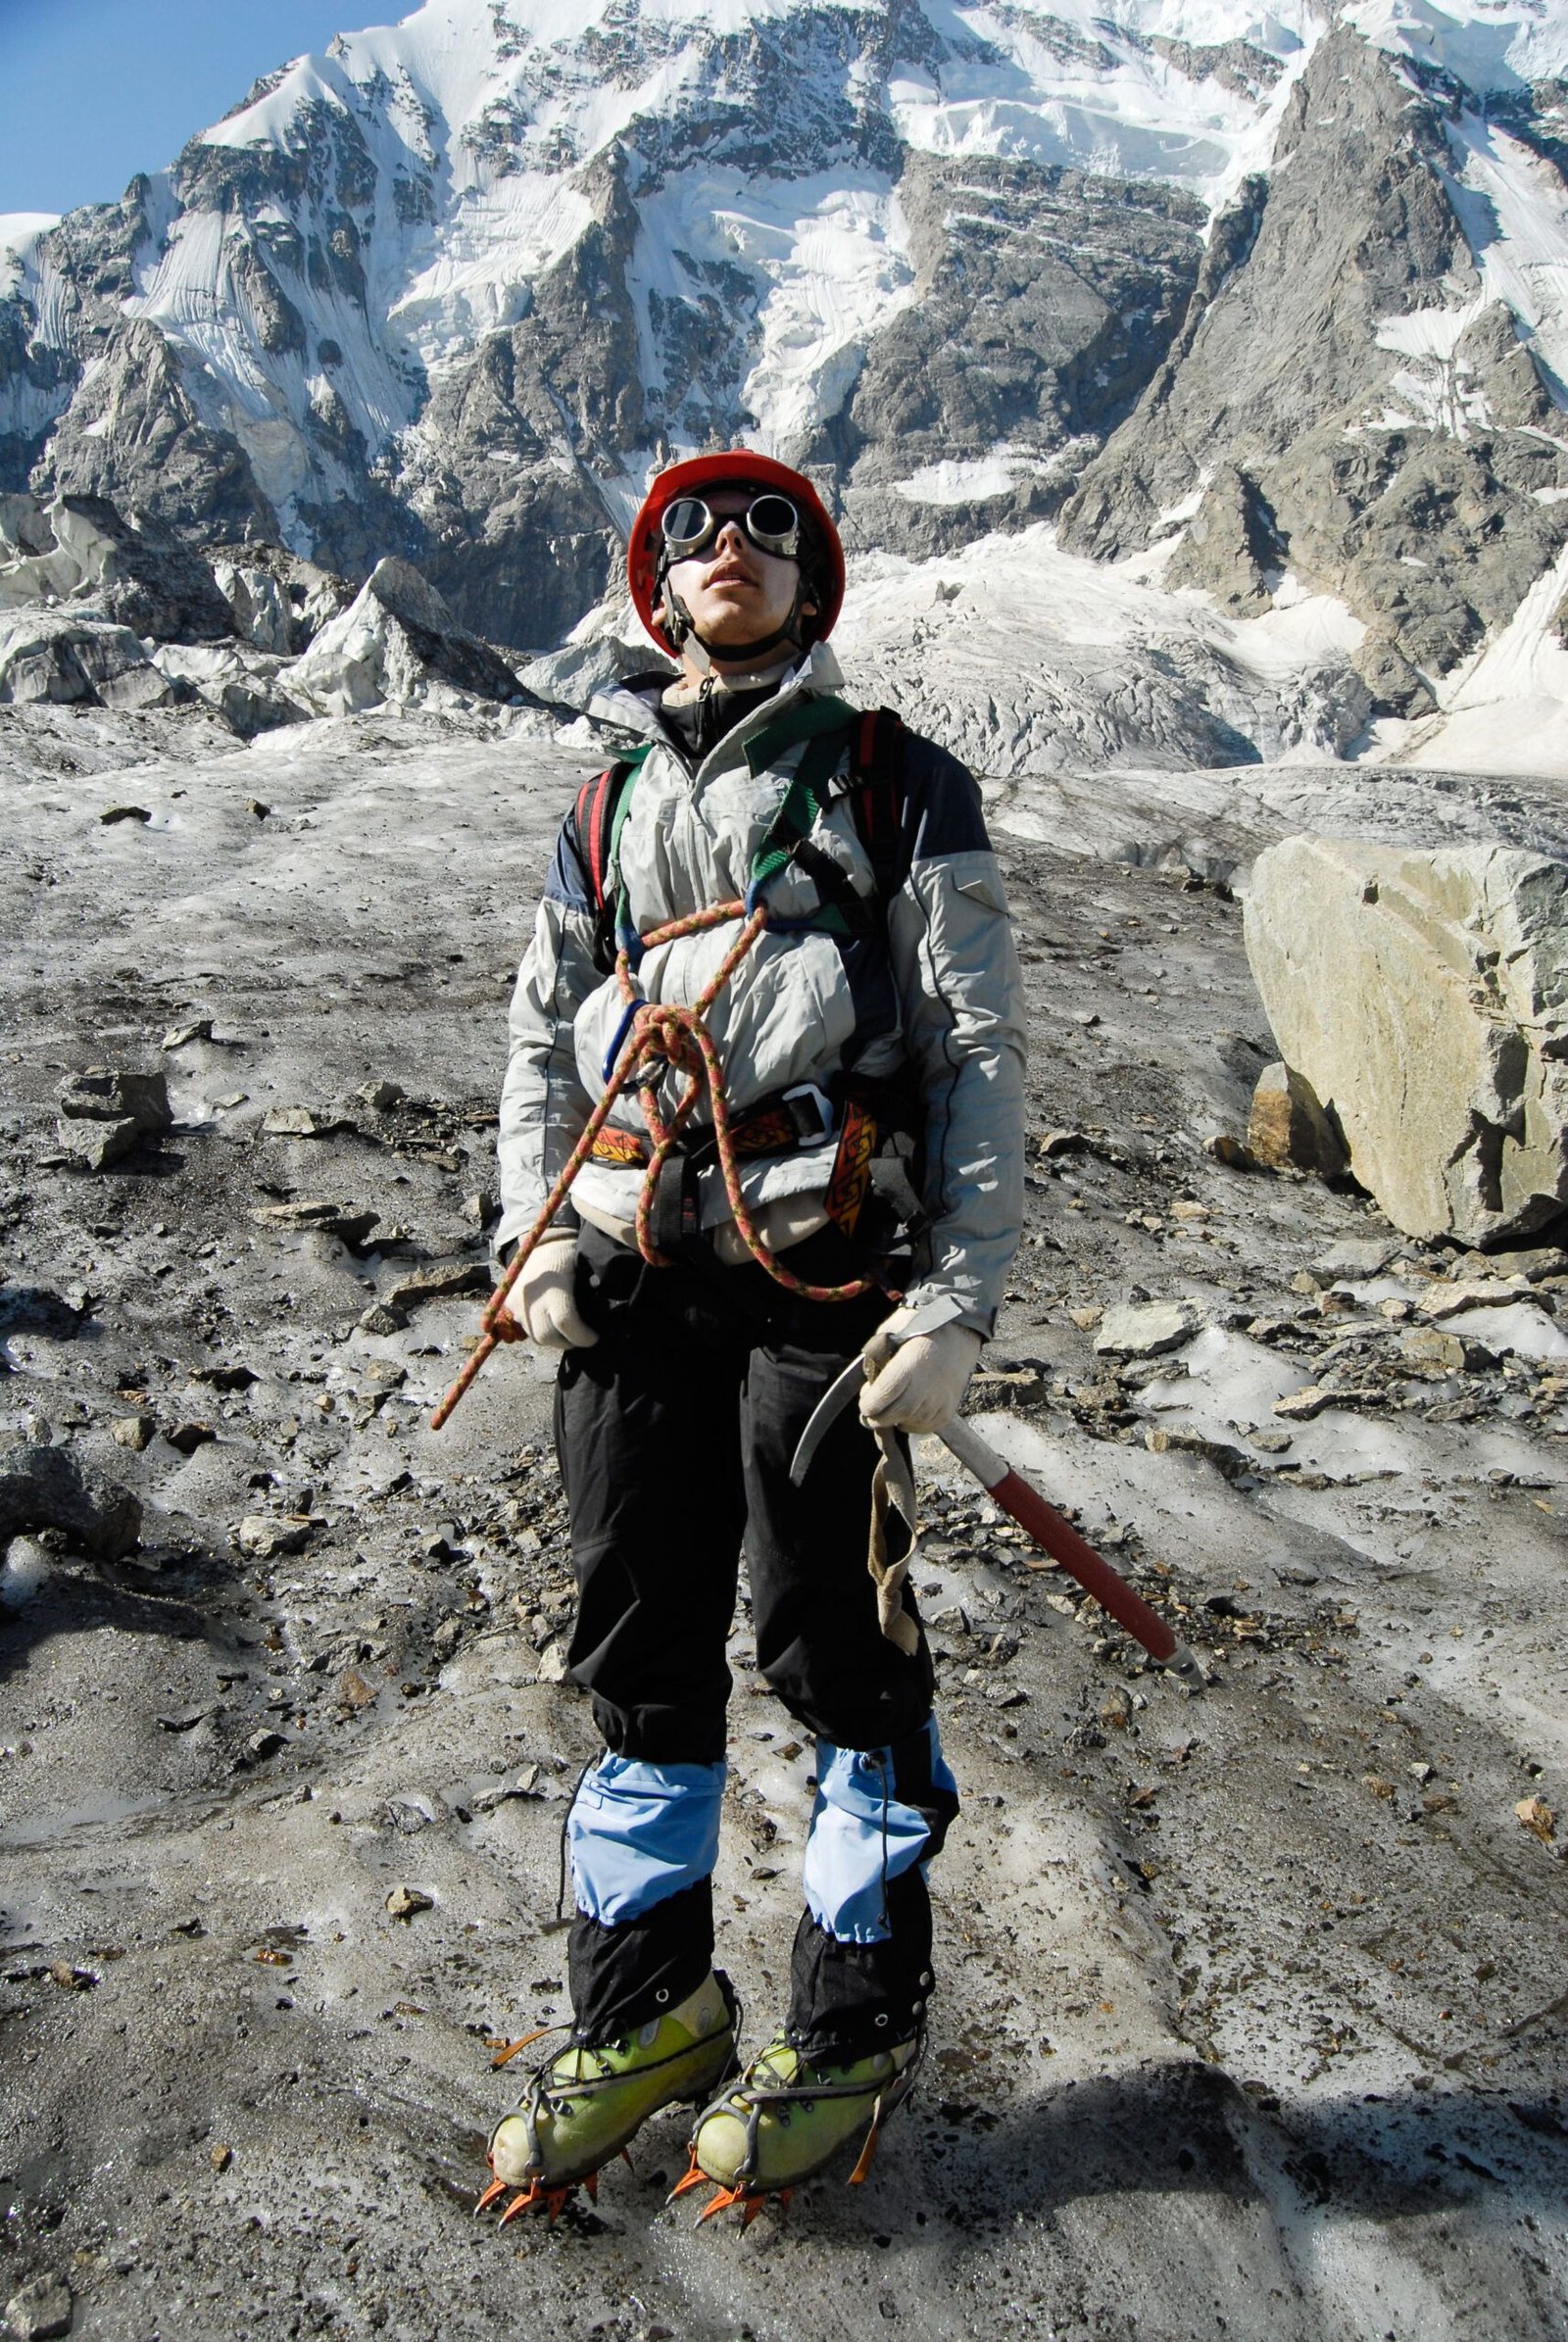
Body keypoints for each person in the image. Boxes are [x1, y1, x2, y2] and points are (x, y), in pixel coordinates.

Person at [479, 451, 1026, 2223]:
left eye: (769, 526)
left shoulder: (894, 785)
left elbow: (976, 1053)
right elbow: (538, 1040)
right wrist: (535, 1233)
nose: (734, 548)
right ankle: (648, 2010)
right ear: (653, 584)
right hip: (636, 1286)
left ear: (819, 578)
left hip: (825, 1291)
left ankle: (855, 2020)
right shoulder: (598, 811)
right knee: (640, 1654)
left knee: (836, 1653)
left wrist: (950, 1301)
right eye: (697, 531)